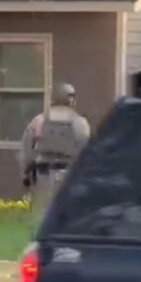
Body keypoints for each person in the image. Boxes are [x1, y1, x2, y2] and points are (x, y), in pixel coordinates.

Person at [18, 82, 91, 224]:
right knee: (67, 218)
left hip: (42, 175)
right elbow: (86, 151)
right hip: (68, 175)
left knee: (41, 218)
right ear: (72, 100)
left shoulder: (39, 121)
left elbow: (27, 150)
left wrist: (25, 174)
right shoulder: (79, 123)